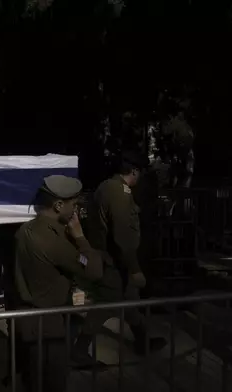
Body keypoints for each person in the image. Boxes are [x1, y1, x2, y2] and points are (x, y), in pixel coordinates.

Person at [14, 175, 104, 392]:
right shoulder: (52, 240)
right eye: (73, 204)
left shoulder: (26, 230)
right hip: (49, 324)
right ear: (58, 205)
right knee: (52, 381)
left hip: (31, 319)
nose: (76, 209)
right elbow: (93, 269)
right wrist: (80, 237)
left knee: (35, 379)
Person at [75, 151, 167, 361]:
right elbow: (123, 237)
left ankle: (142, 341)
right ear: (134, 171)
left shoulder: (107, 187)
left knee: (129, 301)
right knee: (105, 304)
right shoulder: (119, 193)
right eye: (140, 172)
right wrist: (135, 270)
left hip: (111, 260)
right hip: (113, 262)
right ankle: (79, 350)